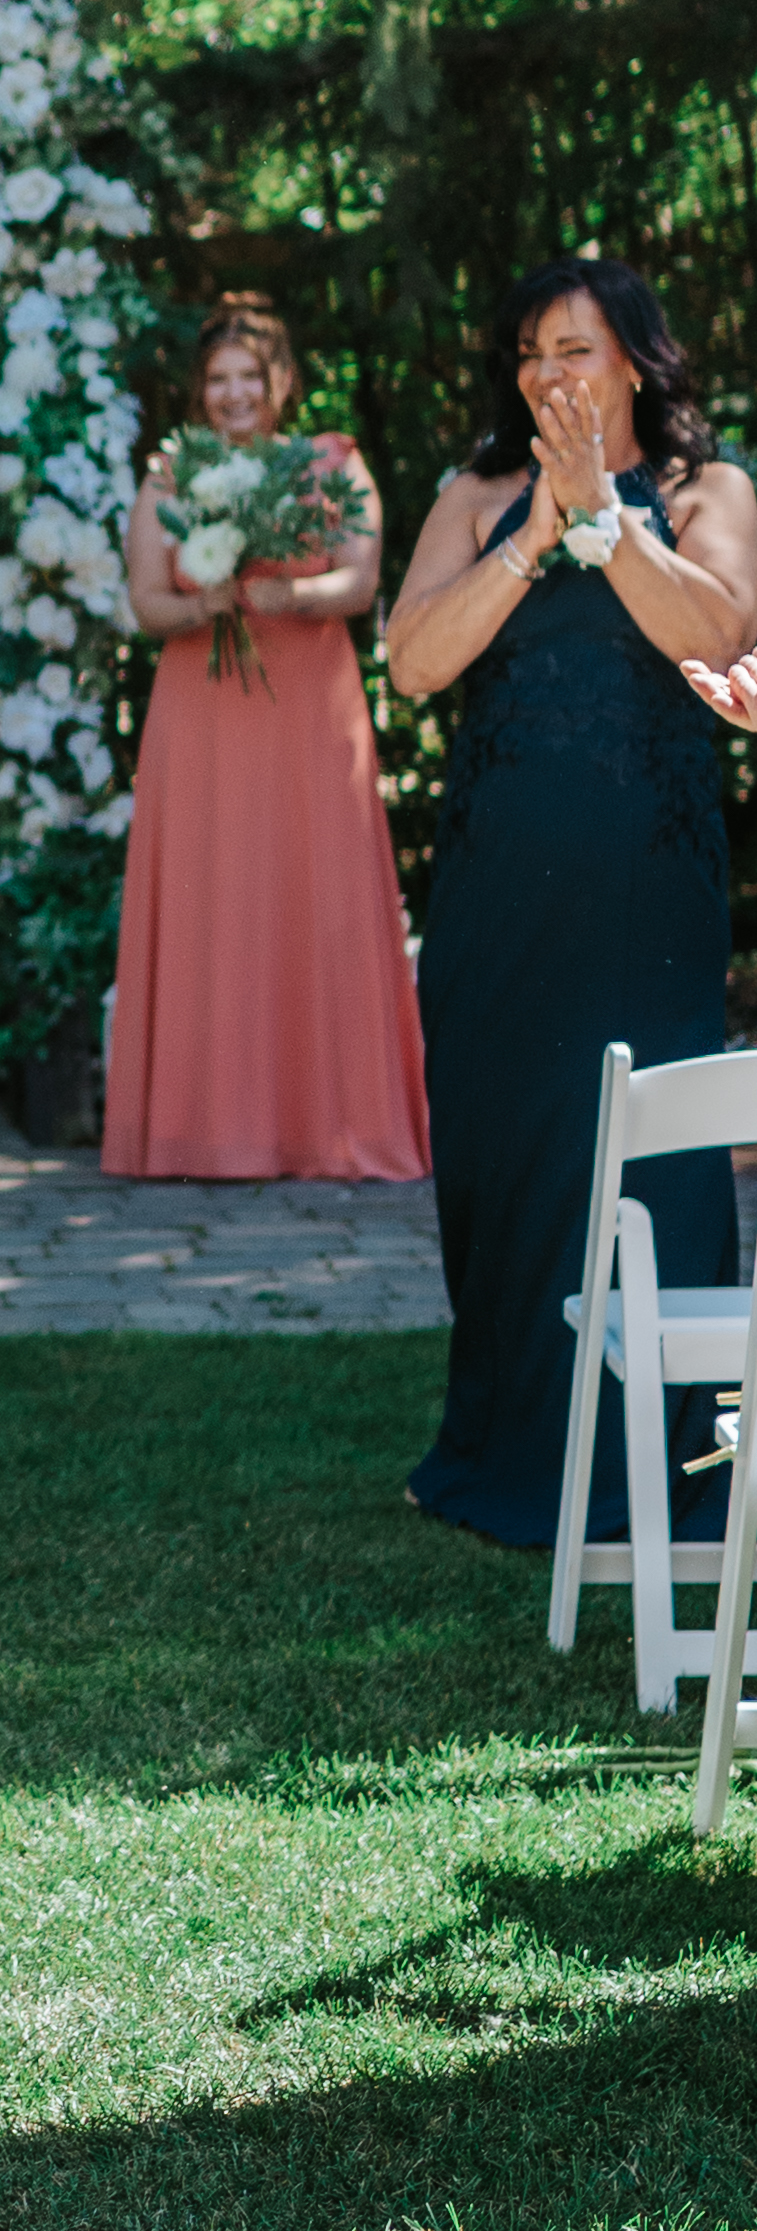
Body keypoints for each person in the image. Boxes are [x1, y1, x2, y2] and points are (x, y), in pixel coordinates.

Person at [386, 259, 757, 1548]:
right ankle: (508, 1459)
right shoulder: (474, 495)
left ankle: (675, 1466)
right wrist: (537, 530)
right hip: (497, 887)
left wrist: (609, 513)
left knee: (657, 1156)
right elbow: (414, 660)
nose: (551, 373)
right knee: (509, 1158)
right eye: (533, 350)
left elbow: (713, 632)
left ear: (638, 363)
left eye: (578, 350)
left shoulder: (711, 491)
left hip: (647, 886)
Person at [104, 300, 428, 1182]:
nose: (234, 392)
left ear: (282, 379)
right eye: (218, 379)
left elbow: (360, 579)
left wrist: (298, 596)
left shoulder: (333, 461)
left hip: (308, 707)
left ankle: (332, 1126)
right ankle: (201, 1132)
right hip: (204, 708)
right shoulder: (172, 471)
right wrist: (202, 604)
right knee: (216, 892)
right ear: (199, 391)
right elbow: (145, 600)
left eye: (251, 374)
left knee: (313, 889)